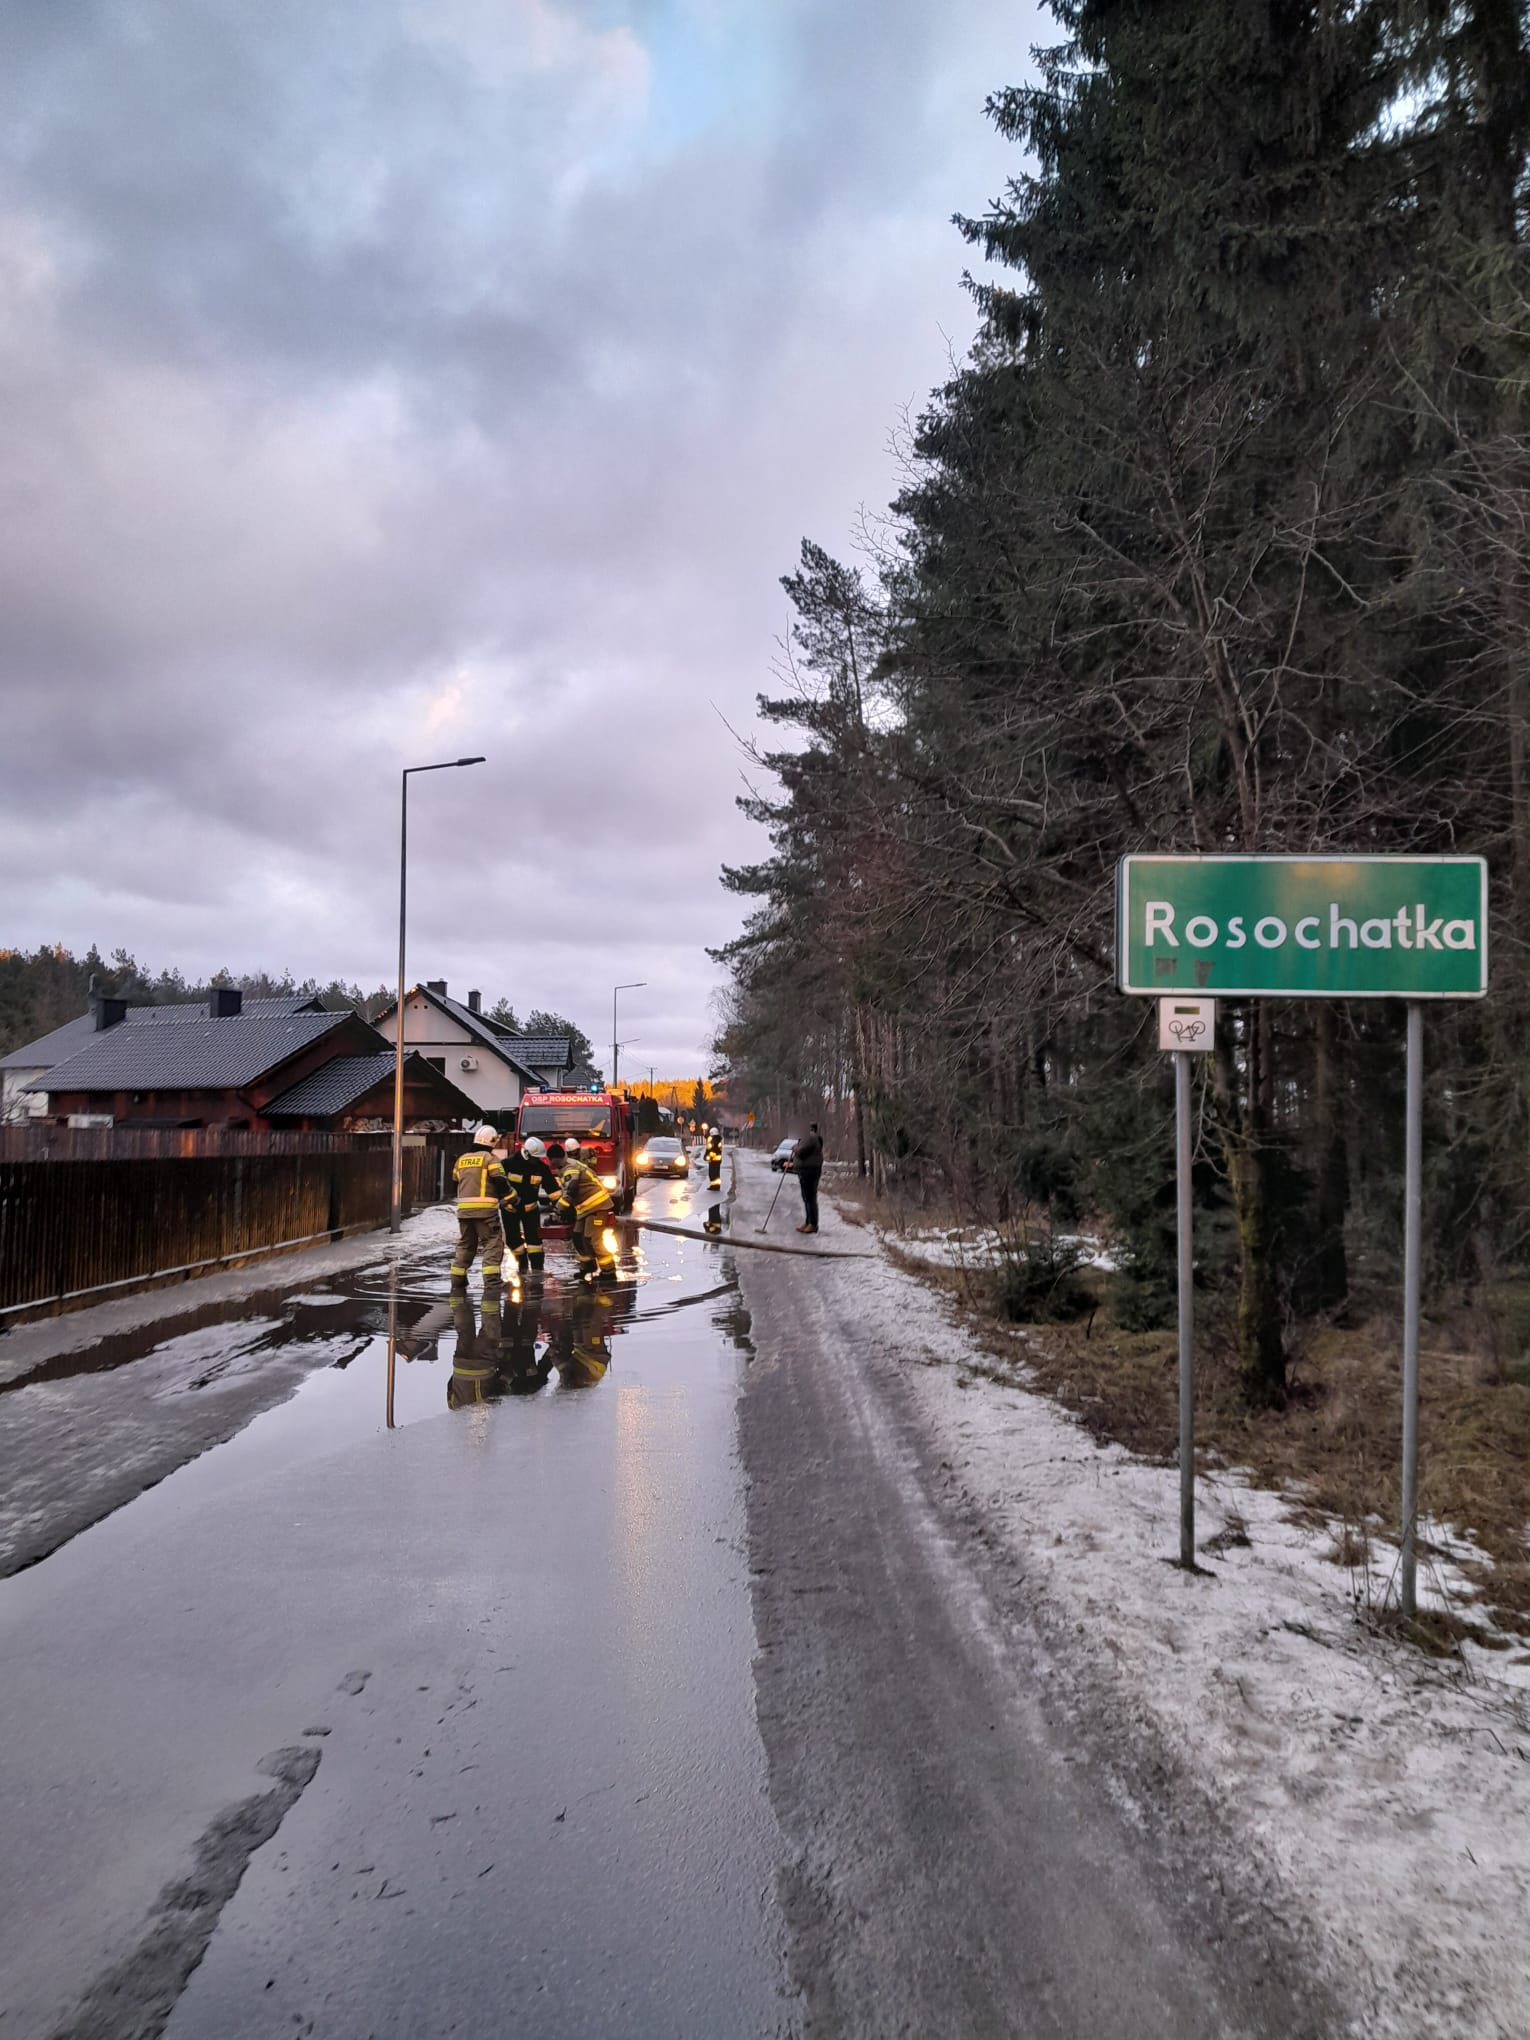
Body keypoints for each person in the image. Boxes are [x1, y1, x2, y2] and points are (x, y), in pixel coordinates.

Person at [553, 1137, 618, 1282]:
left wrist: (557, 1211)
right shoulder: (567, 1166)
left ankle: (609, 1272)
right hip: (585, 1209)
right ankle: (587, 1266)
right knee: (578, 1237)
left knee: (593, 1239)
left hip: (597, 1206)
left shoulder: (570, 1168)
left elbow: (571, 1190)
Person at [450, 1125, 508, 1285]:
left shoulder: (461, 1160)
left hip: (464, 1212)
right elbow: (500, 1181)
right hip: (485, 1212)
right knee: (492, 1243)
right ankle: (492, 1281)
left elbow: (454, 1183)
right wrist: (511, 1197)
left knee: (466, 1244)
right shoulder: (490, 1159)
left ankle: (457, 1278)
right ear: (492, 1142)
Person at [499, 1133, 560, 1279]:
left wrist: (561, 1208)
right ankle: (522, 1263)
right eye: (535, 1158)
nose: (536, 1160)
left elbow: (553, 1190)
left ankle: (538, 1269)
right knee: (513, 1240)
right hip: (510, 1210)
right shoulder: (507, 1164)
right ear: (526, 1153)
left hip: (531, 1210)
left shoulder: (541, 1168)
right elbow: (498, 1185)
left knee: (535, 1243)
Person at [790, 1121, 823, 1234]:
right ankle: (808, 1221)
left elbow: (801, 1152)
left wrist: (795, 1147)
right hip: (806, 1171)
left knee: (810, 1198)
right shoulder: (809, 1138)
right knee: (806, 1198)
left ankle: (812, 1224)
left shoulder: (811, 1138)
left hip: (809, 1171)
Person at [705, 1123, 723, 1192]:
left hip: (715, 1160)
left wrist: (709, 1156)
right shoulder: (713, 1140)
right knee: (712, 1174)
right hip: (714, 1160)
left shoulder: (717, 1141)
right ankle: (713, 1186)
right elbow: (708, 1149)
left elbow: (715, 1151)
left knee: (714, 1174)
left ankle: (716, 1186)